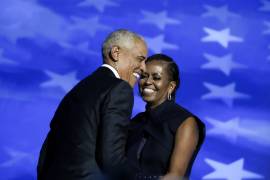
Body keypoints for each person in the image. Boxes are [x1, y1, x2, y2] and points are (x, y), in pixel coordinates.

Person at [37, 29, 148, 180]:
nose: (144, 68)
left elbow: (46, 154)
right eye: (140, 59)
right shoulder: (119, 89)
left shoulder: (77, 90)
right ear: (116, 53)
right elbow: (112, 161)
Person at [126, 54, 205, 180]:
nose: (147, 82)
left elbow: (175, 176)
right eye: (144, 76)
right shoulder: (135, 121)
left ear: (171, 86)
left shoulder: (185, 122)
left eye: (156, 78)